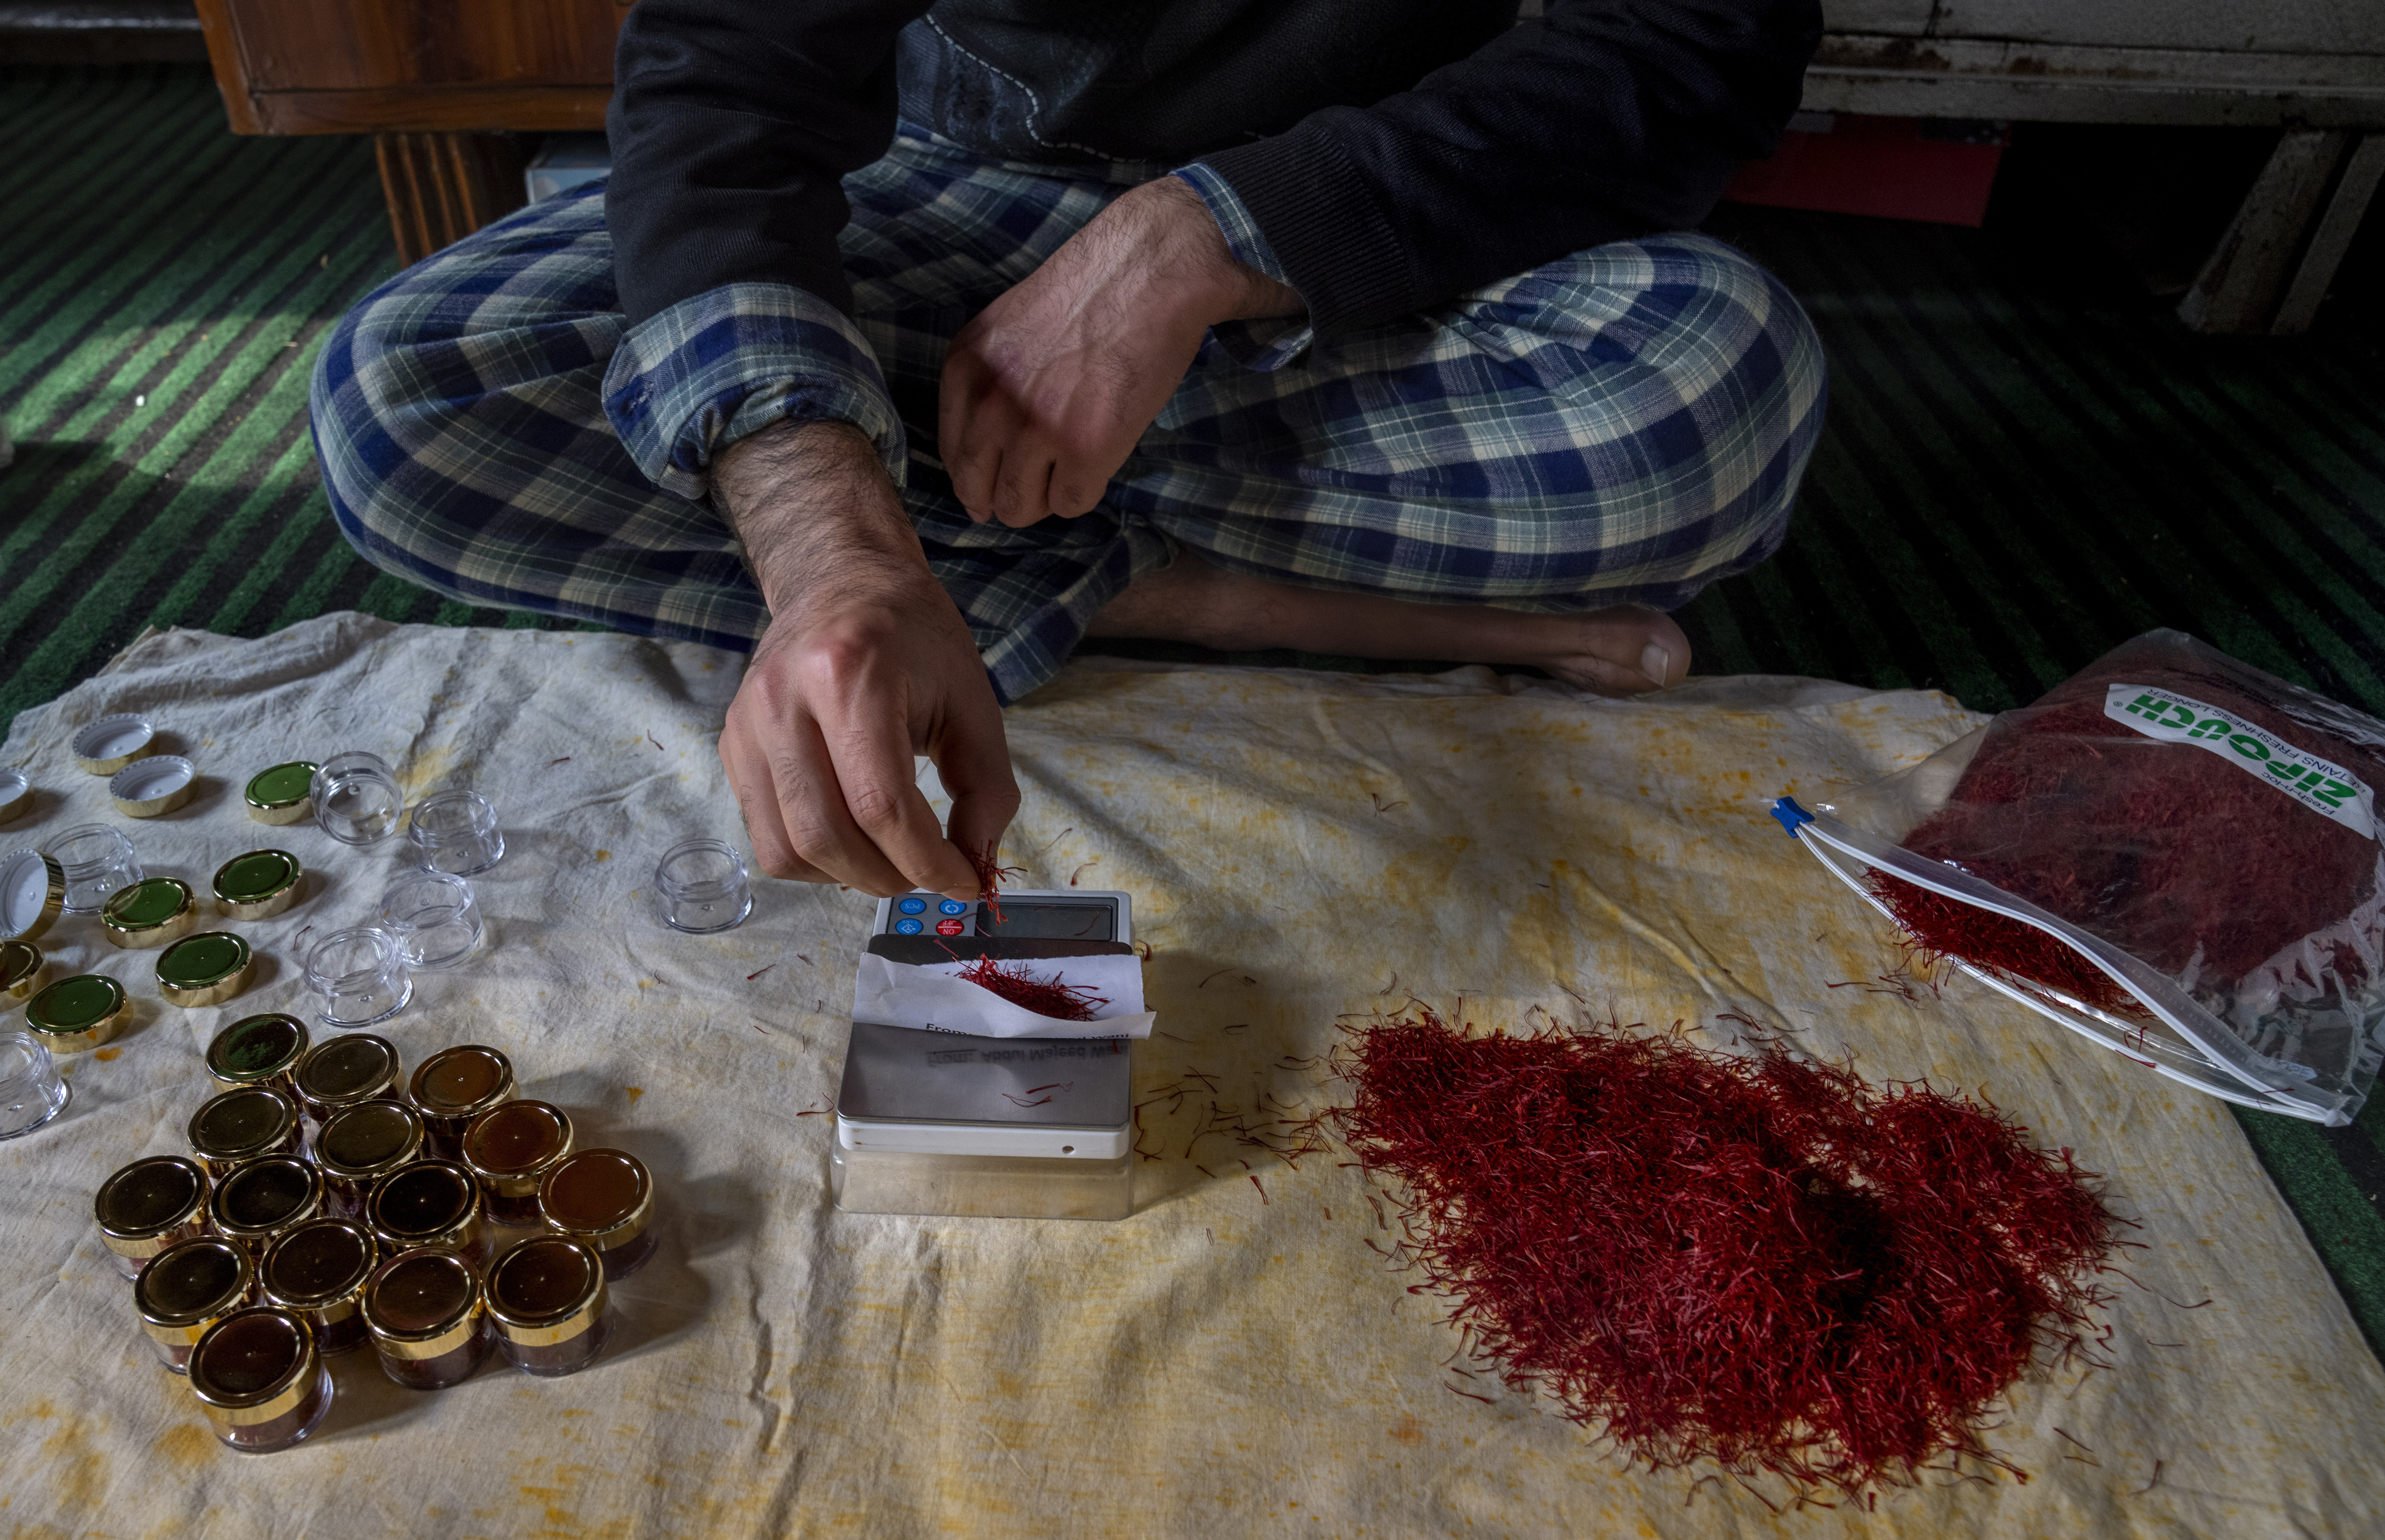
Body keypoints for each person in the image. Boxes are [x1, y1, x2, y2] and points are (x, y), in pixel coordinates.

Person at [311, 0, 1828, 902]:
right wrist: (829, 546)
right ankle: (1248, 600)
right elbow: (725, 83)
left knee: (1710, 386)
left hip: (1350, 243)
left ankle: (1002, 558)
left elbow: (1699, 45)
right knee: (403, 401)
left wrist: (1199, 244)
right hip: (944, 214)